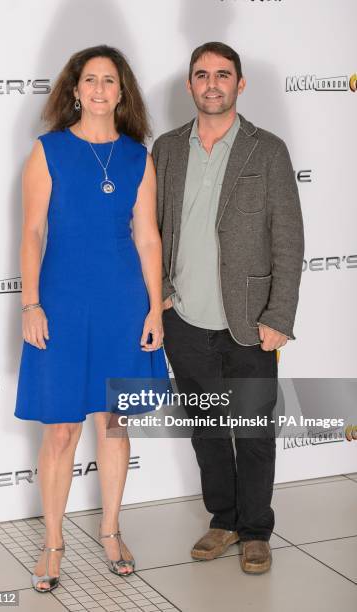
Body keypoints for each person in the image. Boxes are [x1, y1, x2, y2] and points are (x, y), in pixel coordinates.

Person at [14, 45, 168, 591]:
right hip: (60, 302)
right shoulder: (48, 150)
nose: (100, 89)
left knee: (114, 421)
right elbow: (33, 232)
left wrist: (154, 308)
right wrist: (30, 304)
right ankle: (53, 542)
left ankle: (109, 531)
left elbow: (148, 237)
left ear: (121, 92)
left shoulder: (136, 157)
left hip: (122, 303)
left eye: (110, 80)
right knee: (60, 427)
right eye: (90, 80)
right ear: (74, 90)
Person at [153, 42, 304, 574]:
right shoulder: (167, 149)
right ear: (189, 85)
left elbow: (288, 238)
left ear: (240, 84)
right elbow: (151, 229)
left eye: (223, 74)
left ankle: (257, 529)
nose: (211, 83)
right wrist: (161, 293)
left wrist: (279, 317)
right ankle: (224, 520)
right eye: (201, 75)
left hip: (250, 322)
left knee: (255, 431)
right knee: (208, 429)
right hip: (185, 321)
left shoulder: (268, 150)